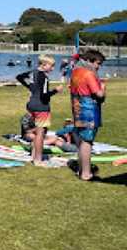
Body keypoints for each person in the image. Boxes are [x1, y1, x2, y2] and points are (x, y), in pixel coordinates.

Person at [69, 49, 106, 181]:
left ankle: (81, 169)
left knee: (81, 140)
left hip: (77, 107)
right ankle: (86, 173)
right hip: (88, 109)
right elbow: (99, 94)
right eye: (98, 63)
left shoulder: (75, 71)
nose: (99, 67)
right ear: (90, 61)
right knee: (87, 141)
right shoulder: (89, 74)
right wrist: (103, 87)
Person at [16, 54, 61, 165]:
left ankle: (33, 155)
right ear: (44, 65)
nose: (53, 68)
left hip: (31, 104)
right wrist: (56, 90)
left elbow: (19, 77)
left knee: (38, 132)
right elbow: (44, 95)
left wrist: (31, 88)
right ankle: (38, 159)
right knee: (41, 133)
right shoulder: (44, 77)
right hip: (41, 106)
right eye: (51, 66)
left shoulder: (33, 72)